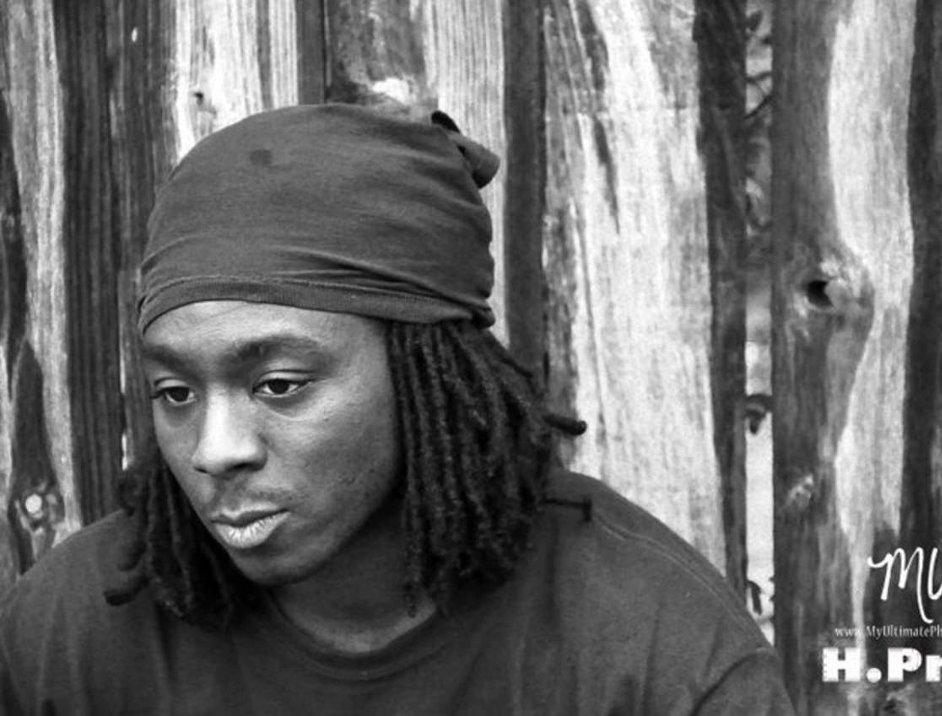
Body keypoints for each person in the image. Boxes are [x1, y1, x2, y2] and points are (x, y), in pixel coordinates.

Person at [0, 103, 794, 715]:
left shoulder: (652, 649)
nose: (216, 449)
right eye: (176, 393)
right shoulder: (69, 633)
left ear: (426, 370)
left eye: (279, 384)